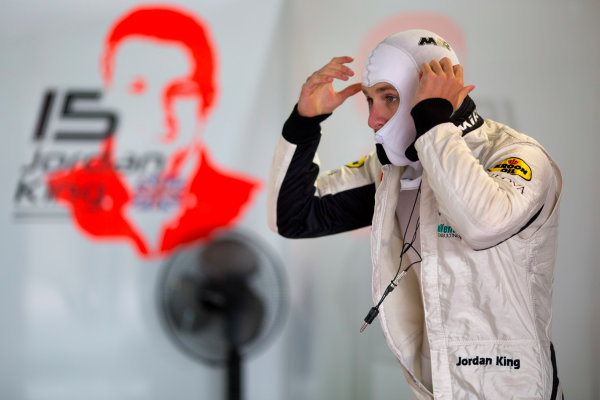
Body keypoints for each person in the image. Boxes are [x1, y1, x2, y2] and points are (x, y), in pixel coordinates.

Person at [267, 29, 564, 399]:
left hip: (517, 390)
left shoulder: (515, 156)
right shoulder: (395, 170)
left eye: (389, 98)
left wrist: (433, 122)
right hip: (433, 386)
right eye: (369, 100)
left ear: (431, 93)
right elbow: (294, 216)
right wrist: (305, 122)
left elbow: (481, 224)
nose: (373, 119)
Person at [48, 6, 260, 257]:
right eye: (137, 88)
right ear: (109, 95)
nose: (160, 113)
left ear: (208, 101)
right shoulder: (61, 193)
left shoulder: (247, 201)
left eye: (180, 91)